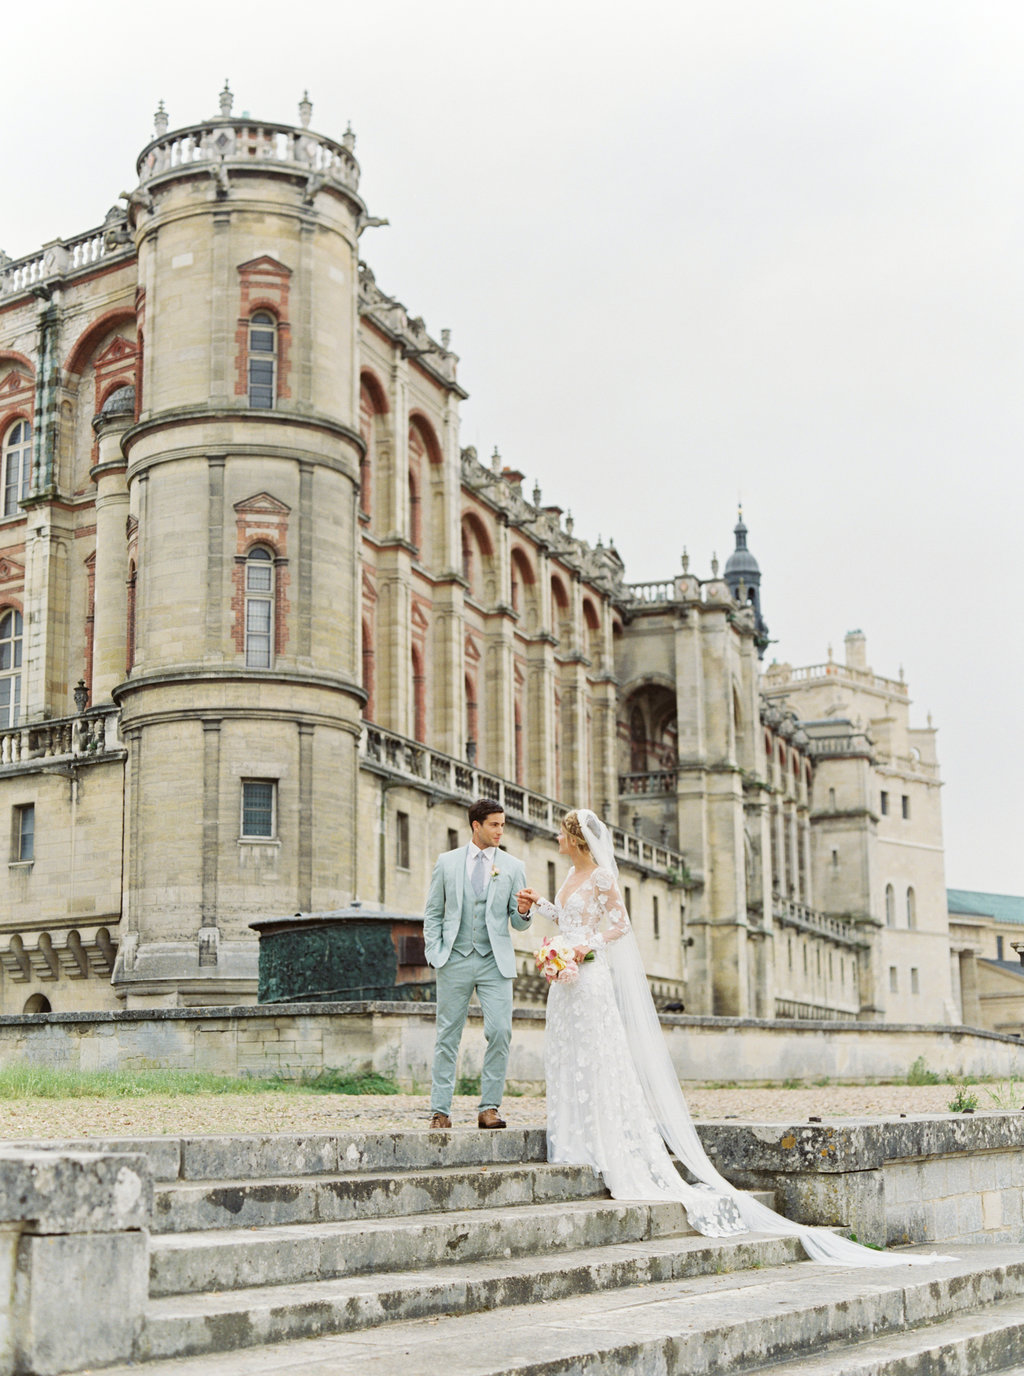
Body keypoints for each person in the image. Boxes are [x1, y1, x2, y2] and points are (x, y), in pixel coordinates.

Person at [517, 807, 947, 1266]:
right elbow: (567, 917)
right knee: (568, 1054)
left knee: (599, 1056)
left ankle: (602, 1139)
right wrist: (539, 906)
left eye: (561, 833)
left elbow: (619, 926)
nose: (556, 839)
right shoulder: (568, 873)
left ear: (577, 838)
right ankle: (574, 1136)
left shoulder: (602, 875)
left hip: (591, 976)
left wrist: (586, 946)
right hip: (565, 983)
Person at [423, 799, 532, 1130]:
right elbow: (433, 911)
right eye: (495, 825)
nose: (500, 830)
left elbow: (519, 923)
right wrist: (434, 950)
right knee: (447, 1036)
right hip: (453, 958)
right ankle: (440, 1110)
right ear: (476, 825)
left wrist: (525, 910)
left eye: (503, 825)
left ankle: (489, 1108)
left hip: (493, 962)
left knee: (501, 1031)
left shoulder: (513, 866)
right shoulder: (447, 862)